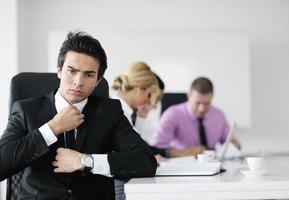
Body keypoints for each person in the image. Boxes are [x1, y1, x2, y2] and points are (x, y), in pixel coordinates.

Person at [0, 31, 157, 200]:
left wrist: (85, 161)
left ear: (98, 80)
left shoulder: (110, 111)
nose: (78, 81)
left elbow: (146, 161)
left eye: (89, 75)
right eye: (72, 71)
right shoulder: (26, 110)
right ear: (59, 70)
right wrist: (52, 128)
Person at [152, 77, 240, 157]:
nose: (202, 109)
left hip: (212, 165)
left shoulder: (219, 115)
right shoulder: (172, 114)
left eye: (206, 103)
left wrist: (234, 146)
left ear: (212, 96)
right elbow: (156, 149)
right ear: (189, 95)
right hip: (182, 165)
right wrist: (187, 152)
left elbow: (229, 141)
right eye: (198, 103)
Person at [110, 61, 161, 200]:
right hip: (116, 179)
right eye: (149, 95)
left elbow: (142, 145)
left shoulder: (126, 110)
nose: (148, 101)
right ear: (139, 89)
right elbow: (137, 154)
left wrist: (142, 118)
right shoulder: (117, 109)